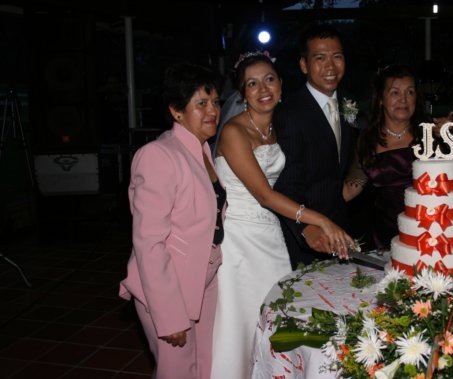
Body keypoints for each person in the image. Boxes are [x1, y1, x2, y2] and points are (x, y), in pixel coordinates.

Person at [211, 51, 356, 379]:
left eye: (269, 80)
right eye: (252, 84)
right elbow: (264, 195)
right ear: (242, 93)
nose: (262, 89)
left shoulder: (278, 128)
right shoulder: (234, 132)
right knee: (243, 322)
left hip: (271, 236)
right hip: (240, 241)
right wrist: (320, 220)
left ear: (281, 84)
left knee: (275, 315)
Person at [119, 63, 224, 379]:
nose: (213, 111)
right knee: (177, 372)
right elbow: (149, 243)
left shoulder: (202, 149)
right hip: (168, 287)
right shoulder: (158, 155)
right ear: (176, 111)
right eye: (201, 103)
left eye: (215, 101)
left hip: (202, 279)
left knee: (203, 367)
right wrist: (169, 315)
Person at [343, 64, 453, 250]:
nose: (403, 100)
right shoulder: (368, 139)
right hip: (385, 238)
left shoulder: (430, 133)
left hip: (431, 232)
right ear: (381, 99)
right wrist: (316, 213)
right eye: (395, 93)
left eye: (410, 92)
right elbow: (352, 187)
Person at [273, 23, 359, 268]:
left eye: (337, 56)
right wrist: (306, 228)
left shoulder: (348, 101)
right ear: (304, 65)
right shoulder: (289, 113)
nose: (330, 66)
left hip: (341, 229)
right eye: (320, 58)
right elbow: (285, 182)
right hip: (307, 238)